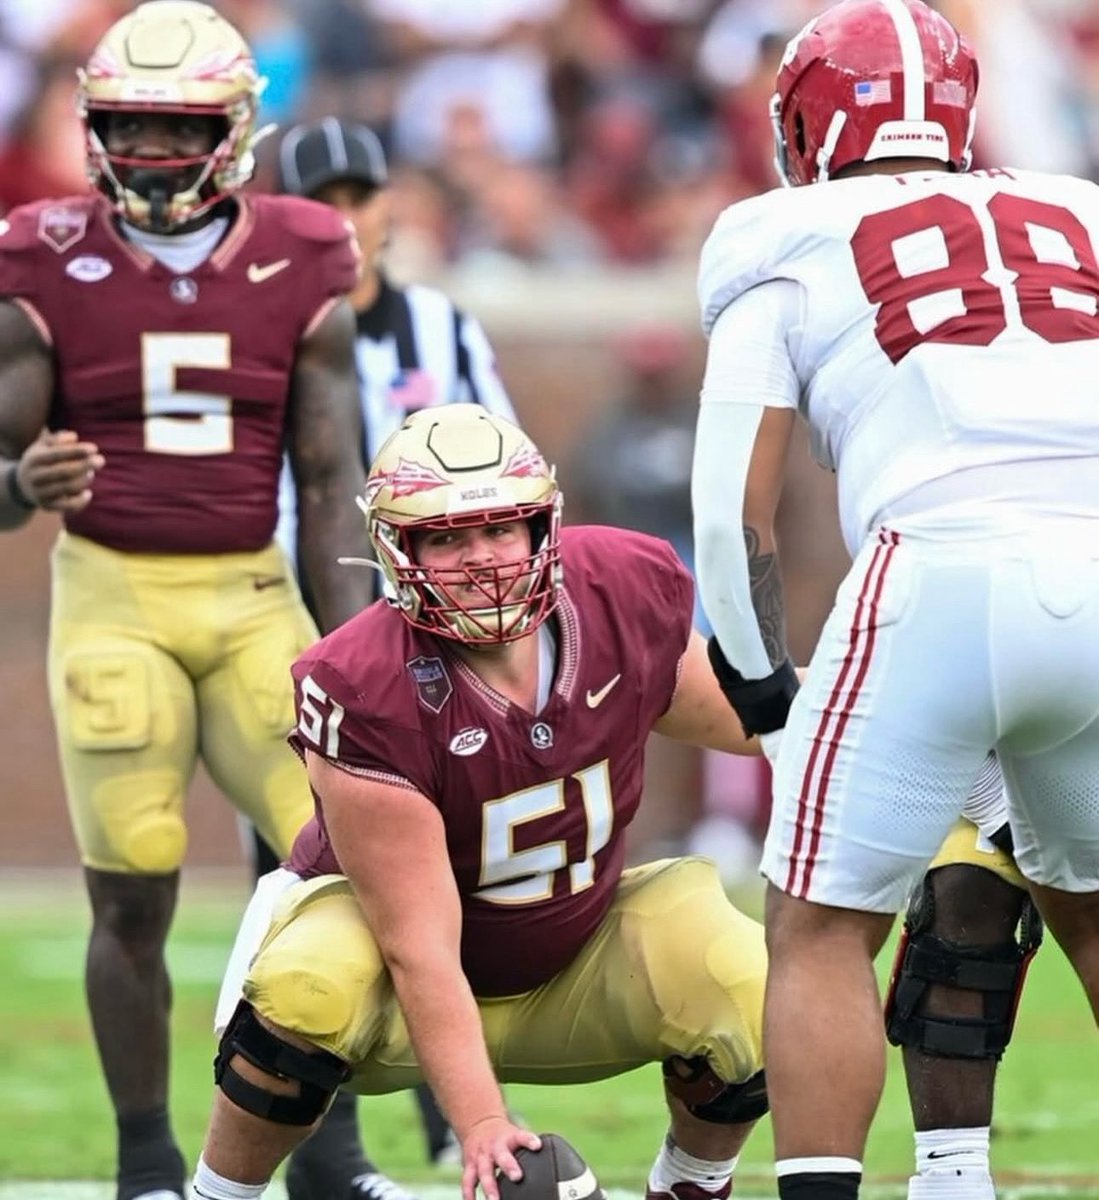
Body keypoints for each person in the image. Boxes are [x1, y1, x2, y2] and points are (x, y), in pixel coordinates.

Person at [691, 1, 1099, 1197]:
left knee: (820, 930)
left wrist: (765, 694)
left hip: (938, 569)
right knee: (1091, 912)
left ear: (809, 122)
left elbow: (731, 509)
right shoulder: (1076, 209)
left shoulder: (780, 232)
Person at [186, 403, 771, 1200]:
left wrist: (912, 731)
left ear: (542, 527)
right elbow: (417, 949)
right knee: (308, 980)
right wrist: (483, 1126)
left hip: (577, 951)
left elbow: (761, 723)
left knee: (745, 973)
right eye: (447, 538)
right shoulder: (363, 683)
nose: (482, 559)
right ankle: (220, 1193)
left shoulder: (620, 588)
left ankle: (692, 1185)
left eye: (500, 529)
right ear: (399, 550)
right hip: (387, 991)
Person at [0, 4, 375, 1199]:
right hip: (112, 591)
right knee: (135, 879)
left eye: (180, 126)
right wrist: (20, 479)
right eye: (134, 127)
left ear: (235, 130)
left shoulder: (309, 251)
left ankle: (325, 1155)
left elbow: (328, 480)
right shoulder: (38, 252)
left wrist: (357, 645)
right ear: (95, 130)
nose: (157, 151)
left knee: (337, 864)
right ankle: (148, 1161)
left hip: (254, 588)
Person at [262, 114, 520, 1172]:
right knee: (305, 874)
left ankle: (451, 1098)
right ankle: (326, 1156)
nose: (346, 222)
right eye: (322, 201)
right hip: (291, 615)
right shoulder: (263, 323)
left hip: (441, 631)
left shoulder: (441, 327)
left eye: (361, 198)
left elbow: (509, 460)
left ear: (391, 208)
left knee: (461, 868)